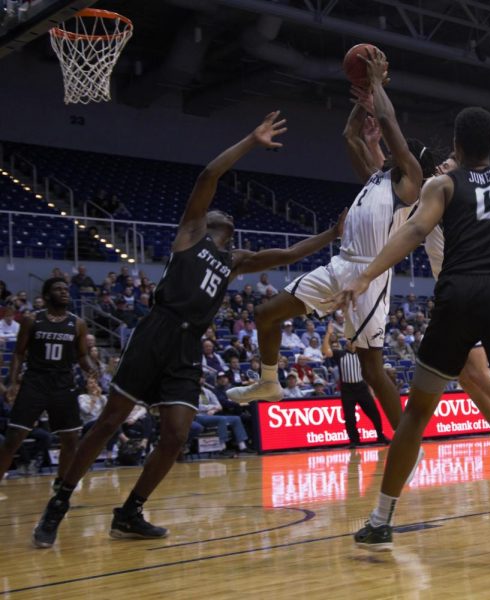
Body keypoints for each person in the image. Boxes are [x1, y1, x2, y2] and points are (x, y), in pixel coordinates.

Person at [32, 112, 346, 549]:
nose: (221, 210)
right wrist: (251, 141)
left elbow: (290, 252)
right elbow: (209, 174)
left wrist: (332, 233)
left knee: (177, 434)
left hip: (186, 345)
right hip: (156, 330)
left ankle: (129, 512)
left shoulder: (236, 260)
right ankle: (58, 504)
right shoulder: (193, 231)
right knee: (108, 422)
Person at [335, 106, 490, 566]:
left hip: (456, 296)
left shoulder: (442, 185)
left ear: (457, 146)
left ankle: (380, 523)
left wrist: (365, 275)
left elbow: (413, 230)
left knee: (415, 416)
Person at [227, 49, 429, 439]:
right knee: (267, 313)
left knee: (372, 367)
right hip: (341, 265)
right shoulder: (375, 179)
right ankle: (269, 381)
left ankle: (407, 440)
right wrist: (363, 103)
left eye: (396, 149)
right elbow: (350, 134)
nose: (385, 148)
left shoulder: (410, 185)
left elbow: (387, 122)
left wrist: (375, 85)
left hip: (371, 275)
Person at [0, 278, 97, 492]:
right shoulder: (31, 320)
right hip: (35, 381)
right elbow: (18, 353)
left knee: (71, 438)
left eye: (65, 288)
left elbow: (82, 355)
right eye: (58, 289)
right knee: (14, 438)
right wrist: (14, 382)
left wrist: (92, 369)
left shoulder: (77, 323)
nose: (64, 292)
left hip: (63, 383)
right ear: (46, 296)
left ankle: (61, 485)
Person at [322, 322, 389, 448]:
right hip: (347, 390)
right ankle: (354, 440)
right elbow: (325, 351)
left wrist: (371, 390)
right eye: (348, 341)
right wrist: (328, 334)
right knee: (349, 417)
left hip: (361, 387)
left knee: (374, 413)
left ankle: (380, 435)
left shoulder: (361, 355)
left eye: (352, 340)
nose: (349, 342)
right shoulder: (340, 354)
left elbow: (367, 374)